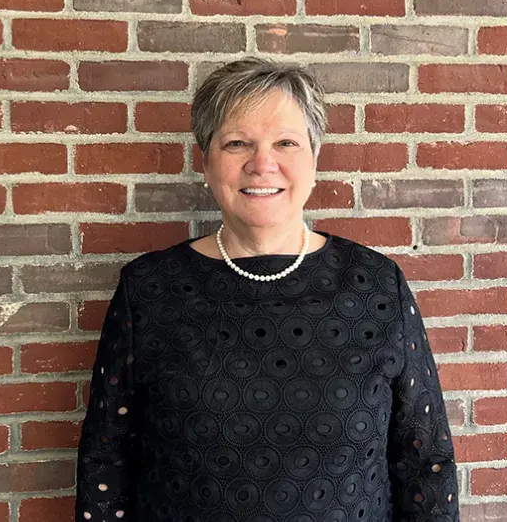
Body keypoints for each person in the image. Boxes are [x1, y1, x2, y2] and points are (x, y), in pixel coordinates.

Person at [74, 56, 460, 522]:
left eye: (286, 143)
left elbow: (426, 463)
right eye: (237, 143)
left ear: (314, 159)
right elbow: (106, 463)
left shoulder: (376, 287)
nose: (262, 164)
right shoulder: (149, 291)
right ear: (206, 161)